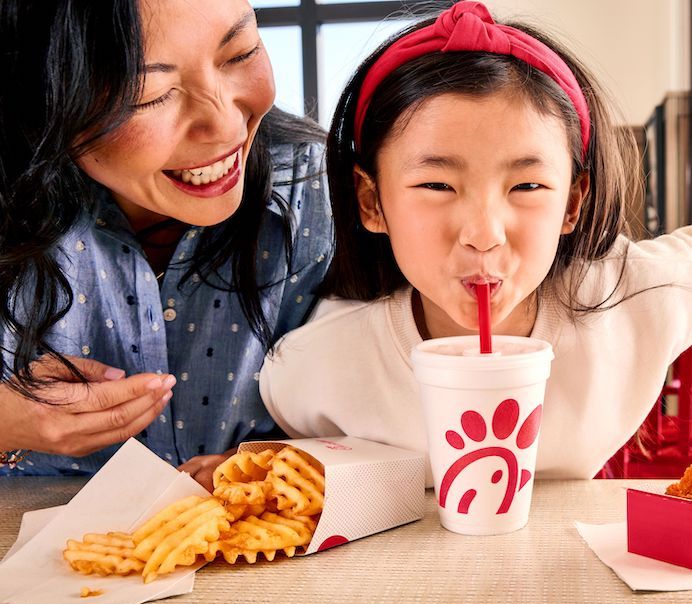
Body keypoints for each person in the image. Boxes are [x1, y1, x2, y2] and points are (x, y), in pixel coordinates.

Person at [259, 0, 692, 486]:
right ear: (371, 201)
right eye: (437, 186)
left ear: (573, 203)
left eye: (527, 187)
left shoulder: (633, 298)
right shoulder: (318, 366)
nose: (484, 234)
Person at [0, 0, 333, 487]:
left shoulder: (326, 191)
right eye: (152, 93)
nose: (224, 126)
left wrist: (293, 461)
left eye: (240, 53)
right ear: (44, 97)